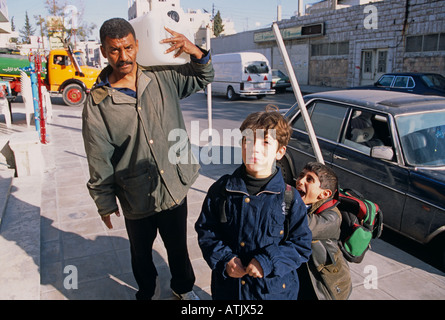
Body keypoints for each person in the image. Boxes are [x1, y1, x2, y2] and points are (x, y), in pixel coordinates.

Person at [82, 18, 214, 300]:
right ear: (104, 51)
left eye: (128, 48)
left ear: (137, 45)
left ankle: (183, 289)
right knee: (141, 254)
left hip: (173, 185)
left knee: (178, 247)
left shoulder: (162, 77)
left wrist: (196, 52)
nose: (124, 56)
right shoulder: (98, 103)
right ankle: (146, 292)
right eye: (115, 50)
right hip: (135, 195)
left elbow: (203, 76)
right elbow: (98, 157)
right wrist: (104, 201)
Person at [195, 107, 312, 300]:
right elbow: (207, 231)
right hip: (230, 291)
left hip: (273, 293)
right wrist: (225, 259)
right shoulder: (221, 190)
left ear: (280, 152)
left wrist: (268, 261)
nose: (254, 148)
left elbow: (300, 246)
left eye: (265, 142)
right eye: (248, 140)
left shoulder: (289, 198)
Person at [295, 162, 352, 300]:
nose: (300, 181)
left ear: (324, 194)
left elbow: (304, 225)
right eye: (301, 176)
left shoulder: (332, 217)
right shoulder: (305, 204)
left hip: (326, 286)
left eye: (309, 179)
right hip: (303, 277)